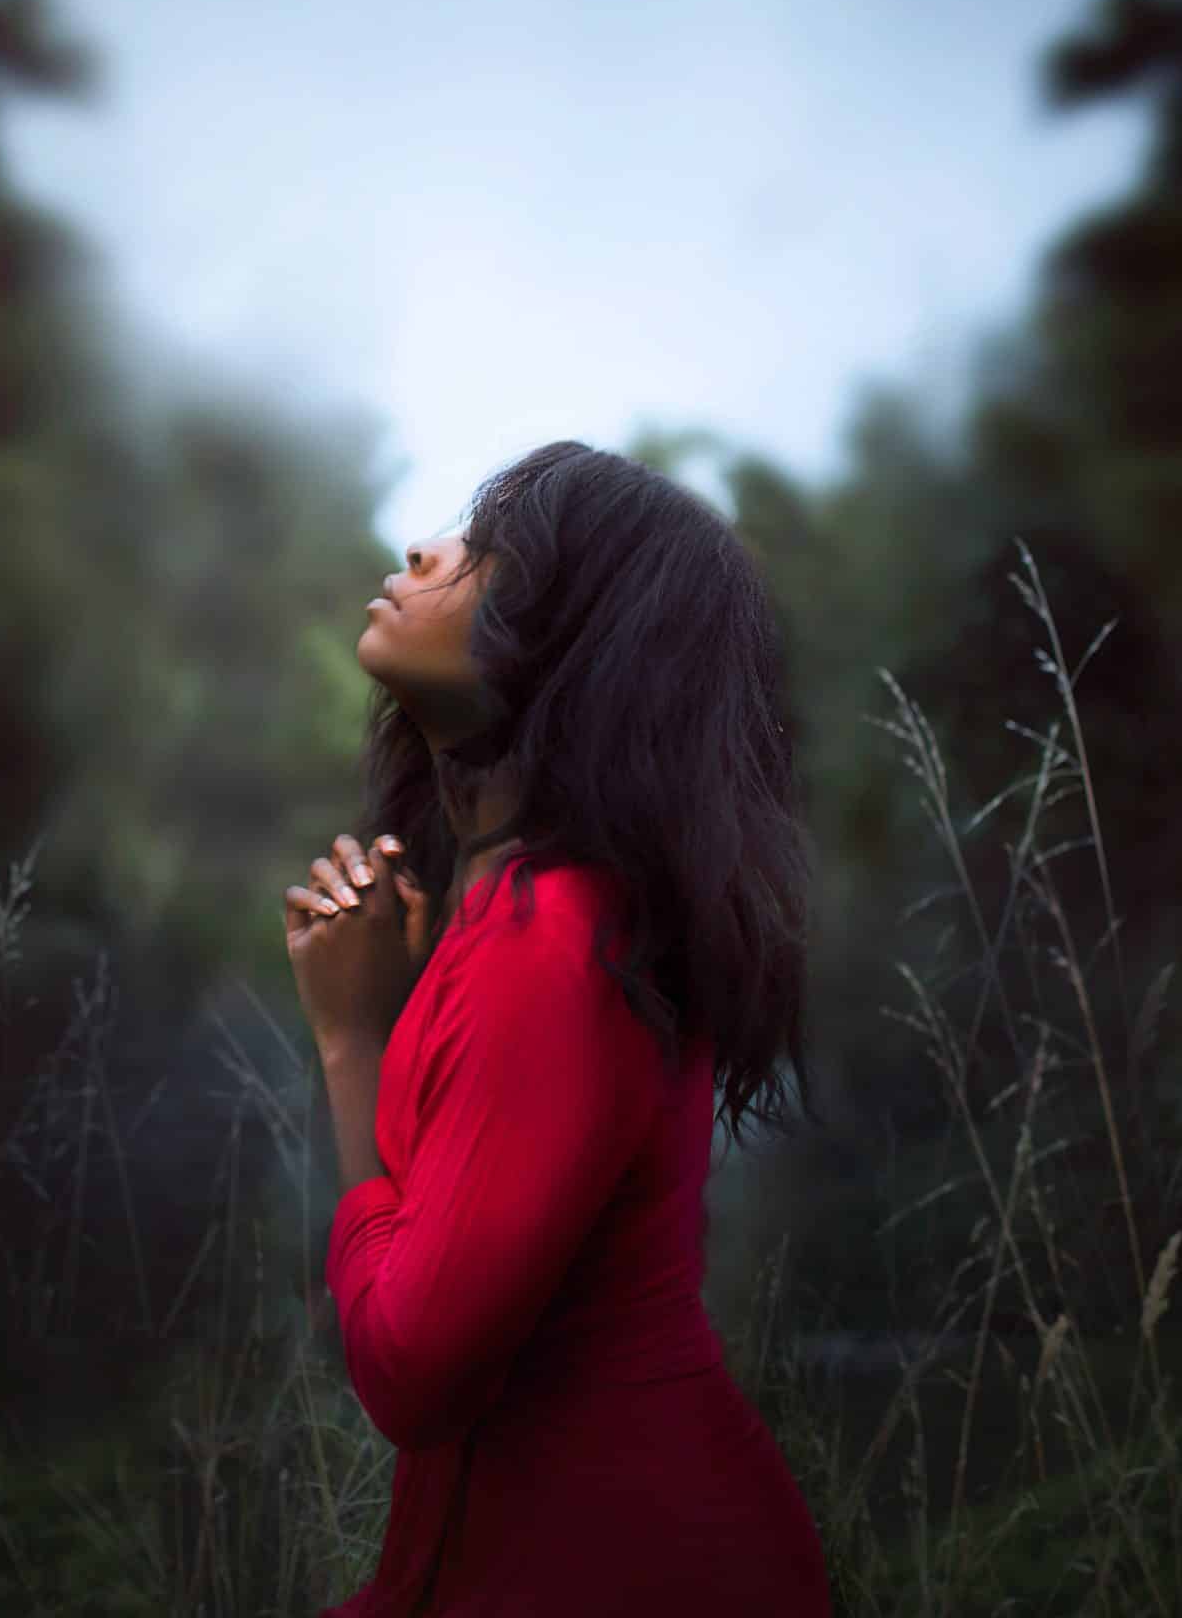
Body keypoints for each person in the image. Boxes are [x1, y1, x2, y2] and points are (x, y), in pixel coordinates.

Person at [285, 440, 832, 1616]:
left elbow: (414, 1372)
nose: (423, 550)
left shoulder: (555, 945)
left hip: (618, 1564)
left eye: (488, 556)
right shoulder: (522, 919)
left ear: (580, 644)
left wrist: (348, 1043)